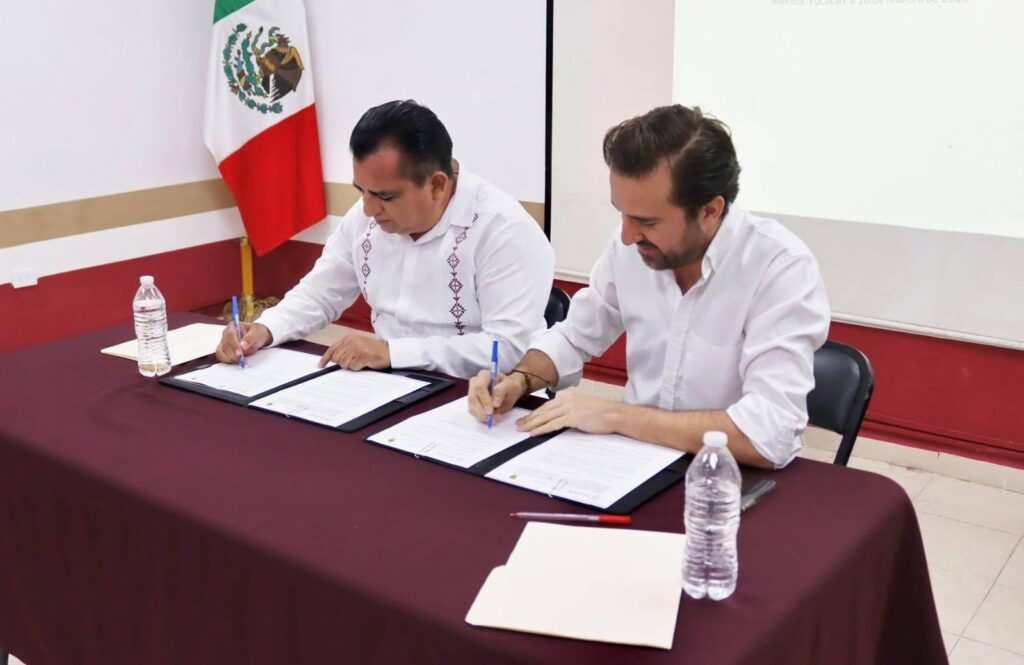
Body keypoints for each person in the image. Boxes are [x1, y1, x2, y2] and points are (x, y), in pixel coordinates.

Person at [468, 105, 830, 469]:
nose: (627, 236)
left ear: (710, 211)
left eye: (647, 221)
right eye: (621, 213)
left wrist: (616, 416)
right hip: (635, 464)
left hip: (731, 476)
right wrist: (518, 381)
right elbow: (574, 337)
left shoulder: (779, 268)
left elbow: (769, 433)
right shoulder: (631, 246)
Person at [216, 100, 555, 378]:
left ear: (437, 185)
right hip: (387, 385)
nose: (368, 208)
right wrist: (265, 329)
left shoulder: (503, 229)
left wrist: (393, 352)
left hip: (483, 398)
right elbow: (320, 294)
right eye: (361, 191)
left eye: (385, 196)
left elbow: (506, 349)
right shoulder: (366, 216)